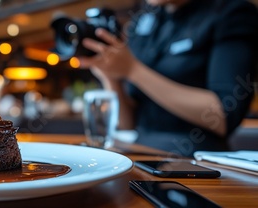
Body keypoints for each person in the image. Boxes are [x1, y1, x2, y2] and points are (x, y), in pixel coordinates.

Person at [78, 0, 258, 156]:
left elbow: (224, 116)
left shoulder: (232, 12)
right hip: (141, 153)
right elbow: (128, 124)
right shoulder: (146, 19)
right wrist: (110, 76)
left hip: (197, 160)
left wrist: (133, 70)